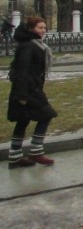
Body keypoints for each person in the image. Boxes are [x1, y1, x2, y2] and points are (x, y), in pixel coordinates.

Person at [6, 16, 57, 168]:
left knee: (23, 120)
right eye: (40, 28)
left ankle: (15, 157)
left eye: (45, 28)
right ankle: (36, 150)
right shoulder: (29, 46)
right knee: (47, 114)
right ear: (31, 29)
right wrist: (22, 94)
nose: (43, 31)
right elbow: (23, 70)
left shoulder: (34, 44)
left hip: (29, 88)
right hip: (27, 90)